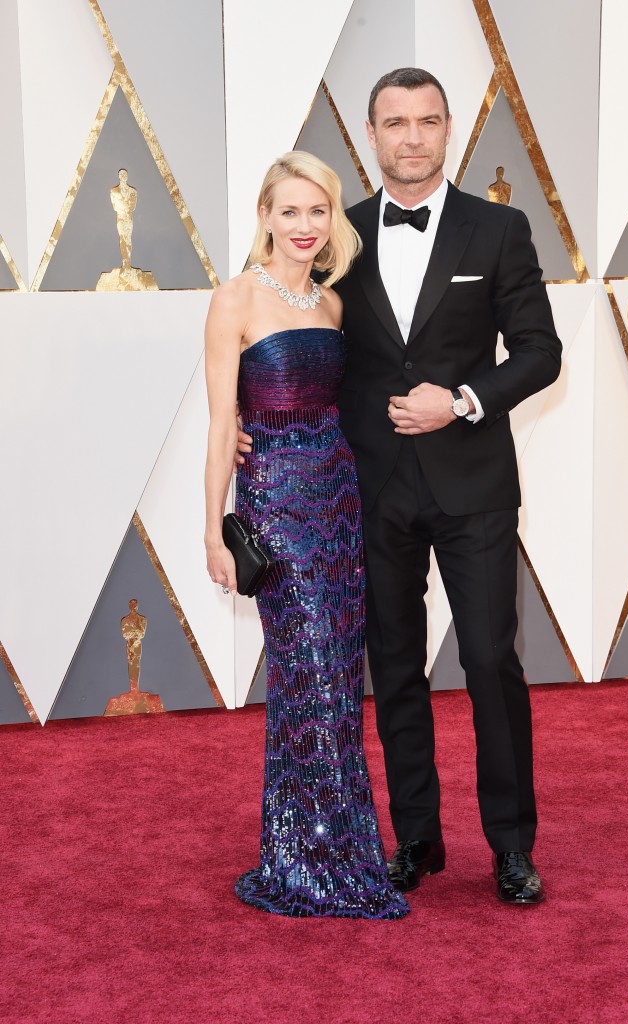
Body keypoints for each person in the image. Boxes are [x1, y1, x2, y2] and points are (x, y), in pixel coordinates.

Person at [332, 68, 562, 904]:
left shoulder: (498, 228)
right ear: (372, 133)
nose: (413, 136)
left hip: (474, 486)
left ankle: (510, 846)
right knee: (392, 666)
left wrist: (462, 400)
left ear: (448, 128)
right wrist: (257, 419)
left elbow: (541, 352)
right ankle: (417, 840)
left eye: (428, 120)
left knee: (490, 659)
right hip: (374, 484)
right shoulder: (341, 235)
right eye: (396, 121)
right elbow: (313, 348)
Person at [204, 151, 409, 919]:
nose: (304, 225)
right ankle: (308, 859)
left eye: (317, 211)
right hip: (277, 509)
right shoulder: (234, 302)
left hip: (338, 500)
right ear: (264, 215)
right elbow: (224, 424)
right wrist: (213, 532)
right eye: (289, 211)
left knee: (335, 681)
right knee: (309, 676)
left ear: (333, 221)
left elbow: (344, 404)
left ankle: (329, 848)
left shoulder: (331, 305)